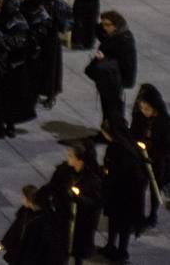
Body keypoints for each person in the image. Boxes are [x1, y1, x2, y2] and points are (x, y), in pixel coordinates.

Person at [44, 141, 103, 265]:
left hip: (82, 221)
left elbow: (96, 202)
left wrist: (78, 198)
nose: (67, 157)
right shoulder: (63, 171)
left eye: (71, 155)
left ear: (79, 160)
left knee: (77, 250)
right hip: (63, 215)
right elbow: (53, 186)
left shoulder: (92, 180)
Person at [100, 119, 148, 262]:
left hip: (122, 192)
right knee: (117, 221)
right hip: (129, 192)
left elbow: (114, 171)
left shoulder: (115, 148)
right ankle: (113, 246)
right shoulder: (130, 144)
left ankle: (121, 252)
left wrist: (105, 175)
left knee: (121, 223)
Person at [130, 84, 170, 230]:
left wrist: (153, 154)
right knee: (139, 187)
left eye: (147, 109)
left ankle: (152, 215)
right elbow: (134, 133)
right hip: (141, 159)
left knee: (155, 188)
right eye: (142, 108)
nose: (143, 111)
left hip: (157, 161)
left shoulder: (164, 122)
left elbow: (166, 146)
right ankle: (138, 215)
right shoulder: (139, 117)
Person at [0, 184, 64, 265]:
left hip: (33, 254)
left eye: (23, 197)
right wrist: (5, 243)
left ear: (28, 199)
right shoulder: (25, 211)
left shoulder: (42, 219)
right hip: (23, 251)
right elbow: (15, 229)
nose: (21, 199)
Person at [93, 11, 137, 128]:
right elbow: (99, 31)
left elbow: (123, 63)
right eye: (103, 24)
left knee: (113, 108)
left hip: (116, 80)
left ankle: (114, 132)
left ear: (116, 25)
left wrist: (104, 59)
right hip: (108, 78)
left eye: (108, 25)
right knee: (106, 107)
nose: (104, 28)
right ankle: (107, 130)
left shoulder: (124, 40)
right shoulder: (113, 35)